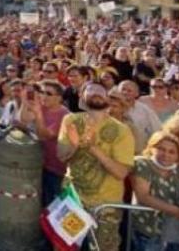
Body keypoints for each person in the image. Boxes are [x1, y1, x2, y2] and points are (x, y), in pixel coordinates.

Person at [57, 83, 135, 251]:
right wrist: (75, 145)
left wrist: (93, 148)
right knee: (65, 246)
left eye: (101, 91)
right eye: (90, 91)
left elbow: (121, 173)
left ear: (108, 98)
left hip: (106, 207)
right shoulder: (71, 120)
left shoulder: (122, 130)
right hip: (73, 200)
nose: (96, 93)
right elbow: (61, 156)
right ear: (81, 98)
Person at [131, 131, 179, 250]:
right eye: (161, 149)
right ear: (151, 148)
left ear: (178, 155)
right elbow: (143, 197)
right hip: (147, 229)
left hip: (176, 233)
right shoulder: (142, 164)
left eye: (172, 152)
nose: (166, 154)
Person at [26, 80, 70, 206]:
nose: (43, 96)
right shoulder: (41, 107)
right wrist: (26, 102)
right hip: (41, 164)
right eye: (42, 92)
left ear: (59, 98)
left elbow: (44, 136)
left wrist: (38, 114)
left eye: (48, 93)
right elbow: (23, 120)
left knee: (54, 206)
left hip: (57, 170)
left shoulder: (64, 115)